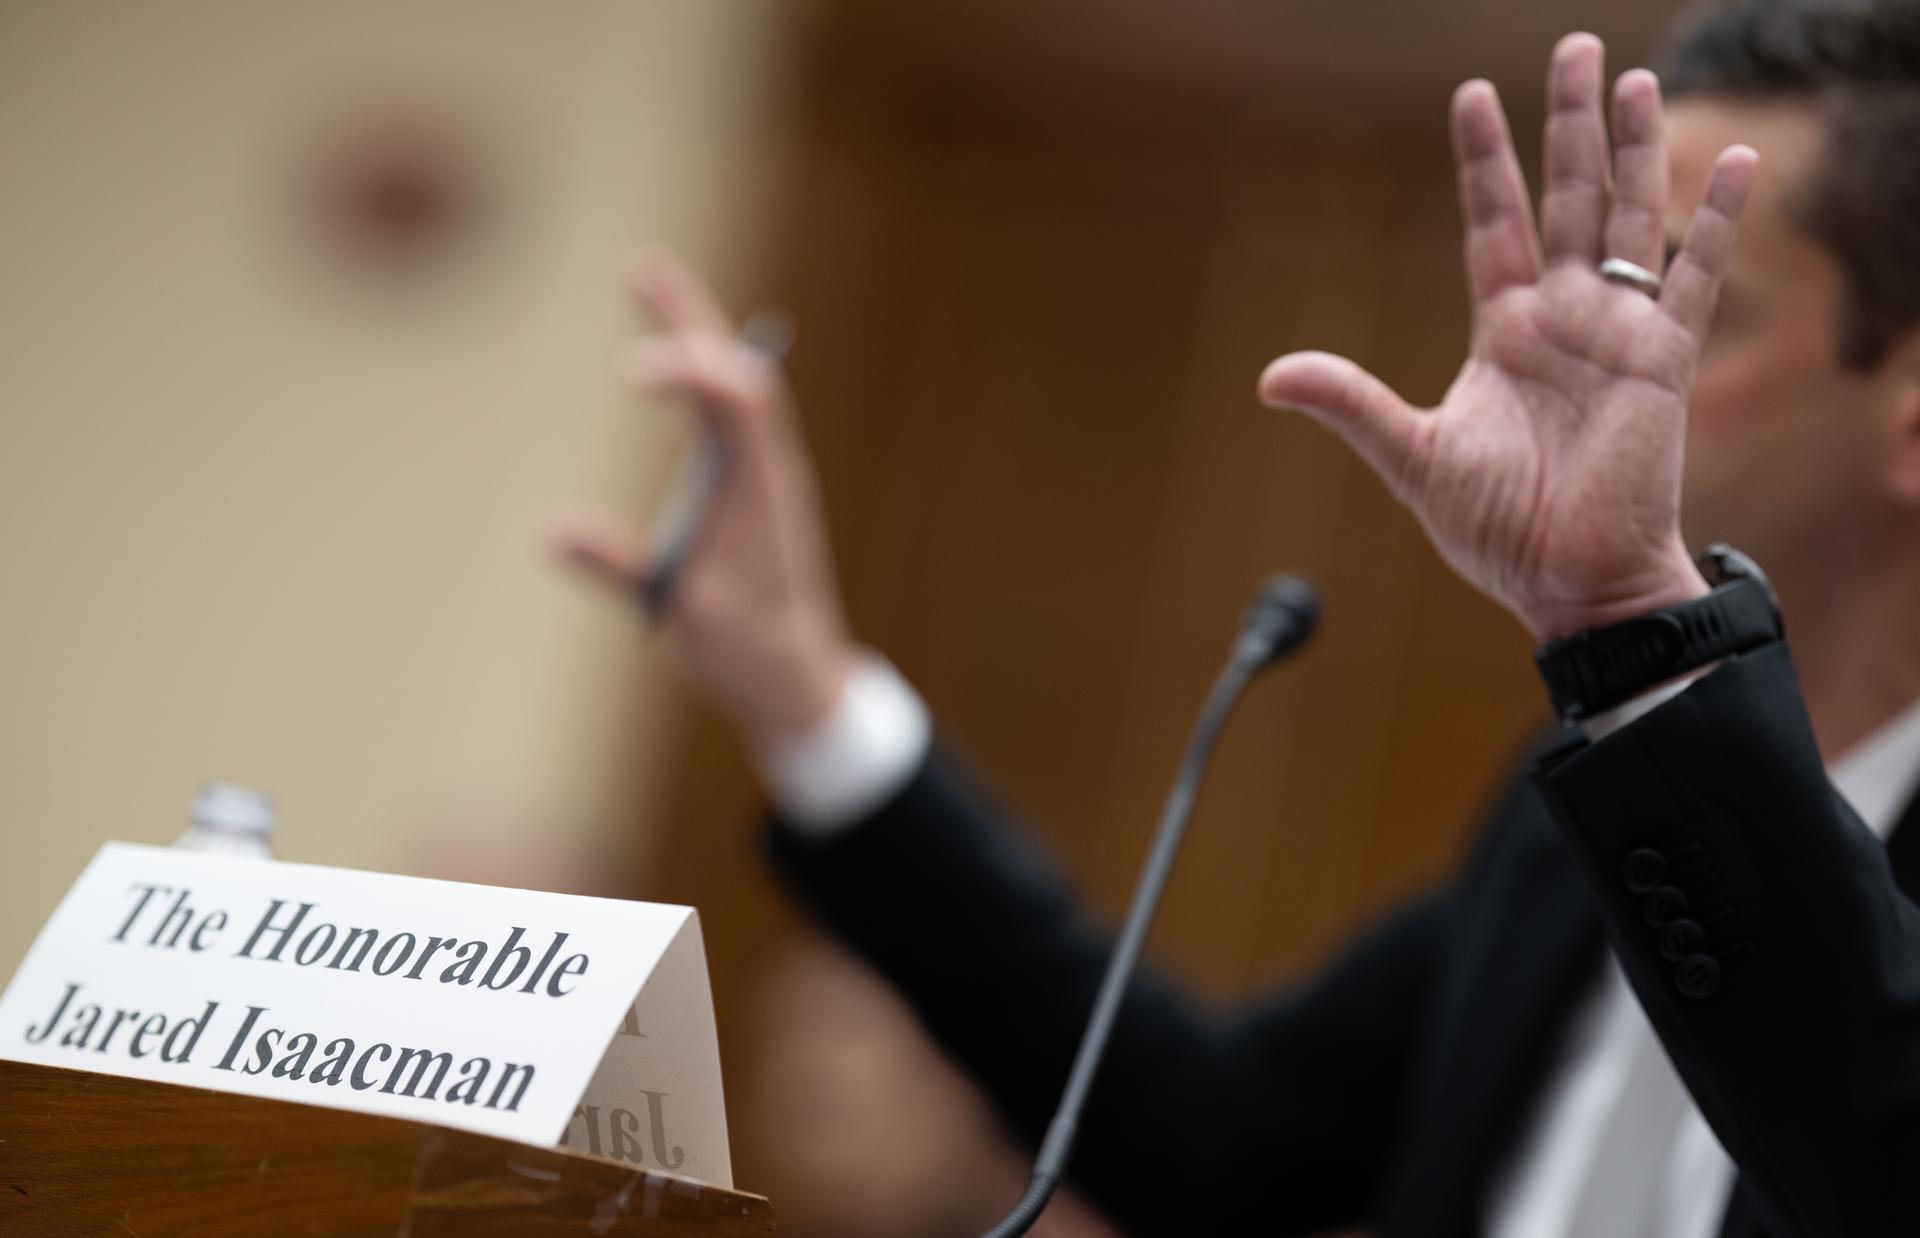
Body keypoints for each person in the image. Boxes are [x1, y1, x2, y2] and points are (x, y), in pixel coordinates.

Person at [554, 2, 1920, 1234]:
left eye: (1689, 306)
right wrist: (806, 695)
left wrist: (1635, 635)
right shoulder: (1583, 815)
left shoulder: (1649, 775)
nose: (1612, 369)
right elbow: (1209, 1141)